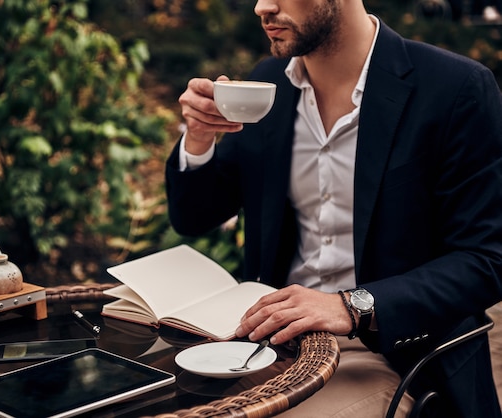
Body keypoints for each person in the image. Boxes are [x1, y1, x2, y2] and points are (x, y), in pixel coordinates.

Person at [165, 0, 502, 416]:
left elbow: (487, 259)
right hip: (273, 345)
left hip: (392, 352)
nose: (261, 7)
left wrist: (351, 305)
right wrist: (198, 139)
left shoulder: (455, 88)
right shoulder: (267, 83)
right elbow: (194, 216)